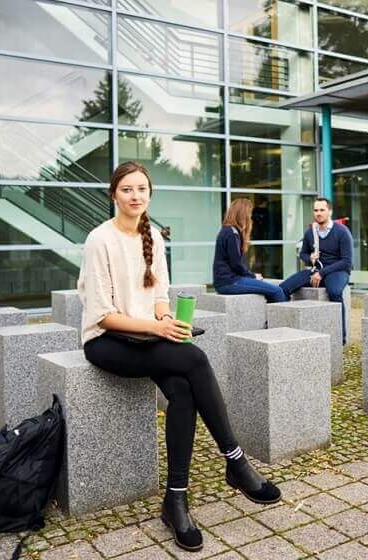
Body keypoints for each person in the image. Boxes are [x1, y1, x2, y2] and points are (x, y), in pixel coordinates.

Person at [78, 162, 280, 552]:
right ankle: (235, 460)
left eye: (142, 189)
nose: (135, 196)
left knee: (183, 390)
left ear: (150, 194)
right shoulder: (99, 240)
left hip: (146, 336)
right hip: (107, 341)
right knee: (195, 360)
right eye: (127, 189)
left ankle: (175, 500)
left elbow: (158, 297)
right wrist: (158, 330)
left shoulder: (153, 236)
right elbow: (104, 316)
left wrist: (166, 320)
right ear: (113, 195)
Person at [278, 197, 353, 343]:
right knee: (283, 288)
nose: (318, 213)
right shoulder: (310, 232)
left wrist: (322, 273)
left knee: (335, 292)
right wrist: (310, 258)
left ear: (330, 211)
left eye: (322, 210)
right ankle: (281, 328)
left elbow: (347, 261)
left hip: (338, 271)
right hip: (316, 270)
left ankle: (340, 338)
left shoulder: (342, 231)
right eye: (316, 210)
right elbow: (303, 254)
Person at [213, 198, 287, 302]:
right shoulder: (231, 233)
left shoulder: (228, 230)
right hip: (230, 282)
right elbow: (236, 264)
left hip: (226, 281)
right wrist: (252, 276)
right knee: (277, 291)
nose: (250, 217)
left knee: (270, 291)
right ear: (242, 214)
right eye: (249, 214)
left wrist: (250, 275)